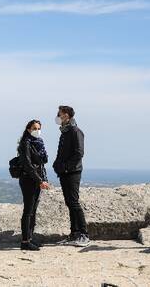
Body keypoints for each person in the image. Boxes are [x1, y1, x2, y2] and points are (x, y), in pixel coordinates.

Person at [52, 105, 91, 247]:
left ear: (67, 115)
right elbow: (61, 152)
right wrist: (57, 164)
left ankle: (83, 234)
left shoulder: (75, 131)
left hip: (73, 172)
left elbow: (79, 153)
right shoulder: (65, 132)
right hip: (64, 172)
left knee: (74, 202)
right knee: (69, 202)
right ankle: (74, 234)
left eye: (60, 113)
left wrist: (66, 167)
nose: (58, 116)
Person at [17, 119, 50, 251]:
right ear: (28, 129)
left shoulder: (39, 143)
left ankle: (30, 238)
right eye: (34, 128)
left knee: (33, 210)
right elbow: (28, 165)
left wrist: (41, 179)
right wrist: (40, 180)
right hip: (28, 180)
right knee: (28, 210)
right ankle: (25, 241)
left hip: (36, 179)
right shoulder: (25, 143)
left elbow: (43, 162)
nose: (37, 131)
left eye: (38, 128)